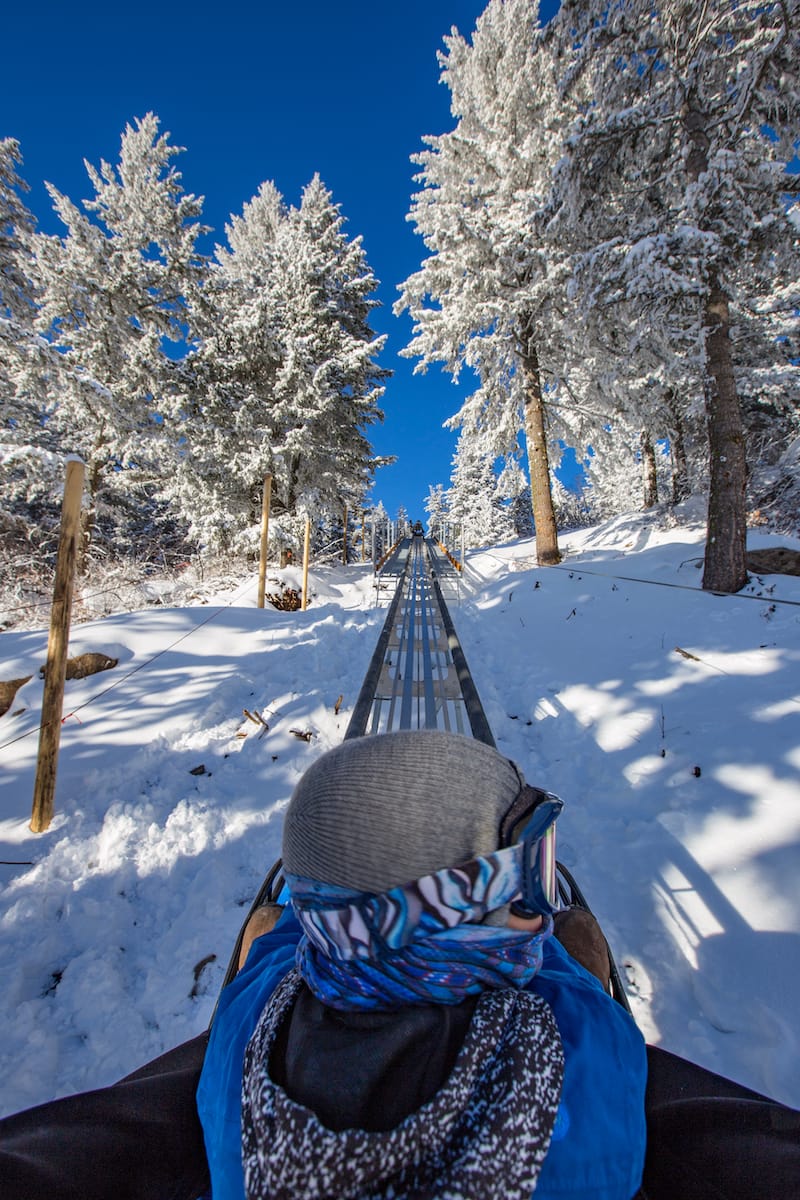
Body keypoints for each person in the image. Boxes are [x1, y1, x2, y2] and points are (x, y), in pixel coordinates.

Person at [197, 730, 648, 1200]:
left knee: (270, 924)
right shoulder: (582, 1035)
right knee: (574, 932)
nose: (539, 911)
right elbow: (549, 964)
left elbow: (284, 950)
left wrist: (327, 897)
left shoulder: (248, 1019)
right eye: (526, 875)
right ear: (441, 910)